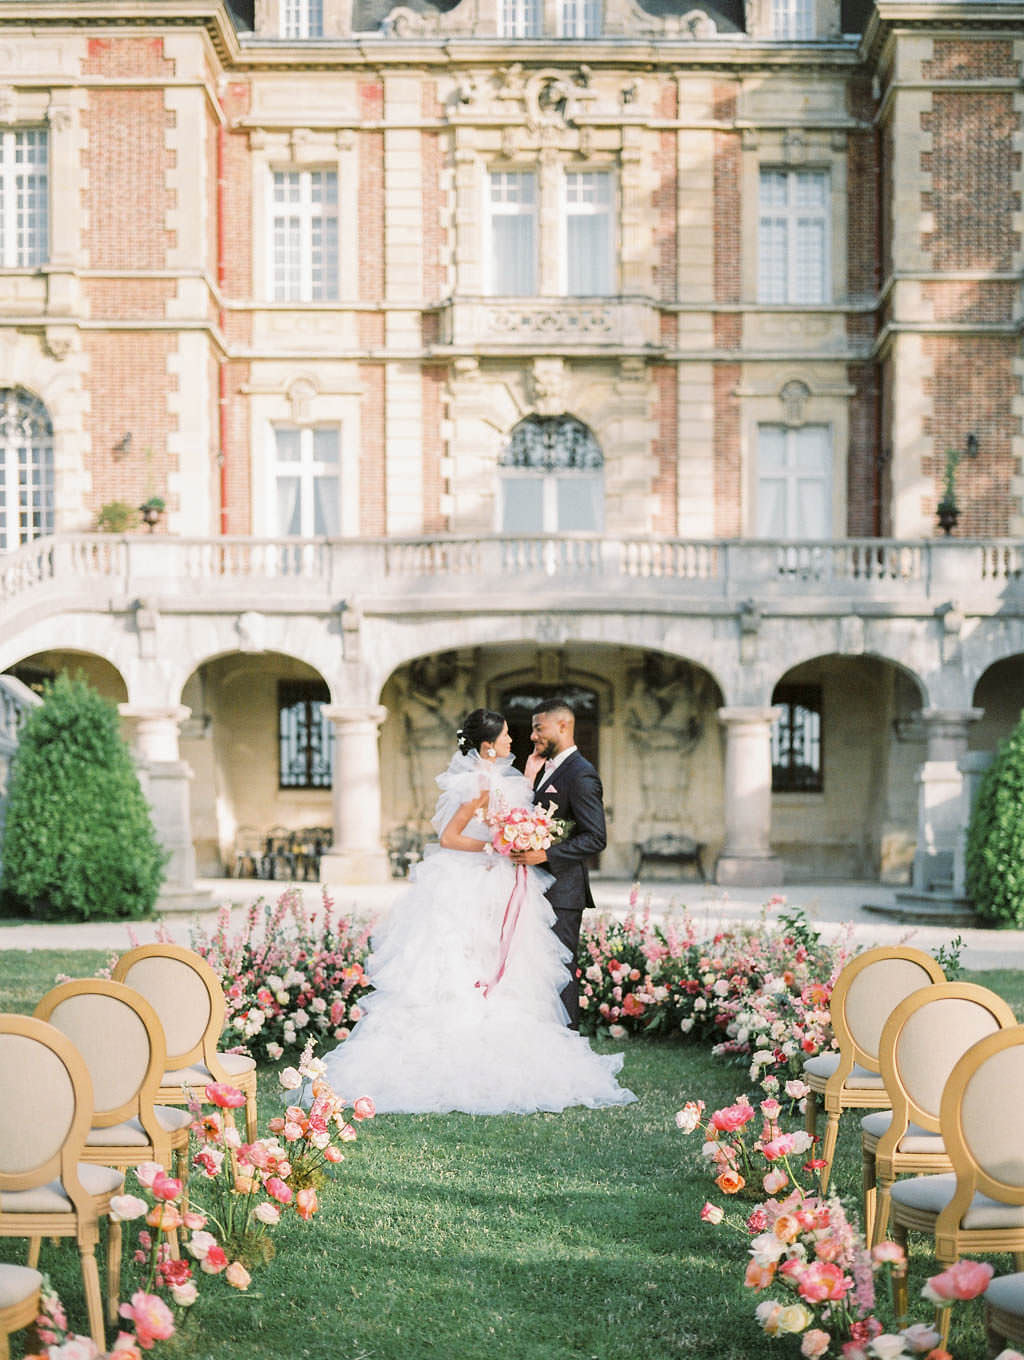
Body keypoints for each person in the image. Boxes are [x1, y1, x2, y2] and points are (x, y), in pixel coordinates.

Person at [318, 707, 636, 1115]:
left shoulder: (525, 775)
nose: (516, 739)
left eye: (530, 730)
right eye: (507, 736)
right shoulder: (480, 783)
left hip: (510, 879)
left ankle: (530, 1041)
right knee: (468, 958)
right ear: (488, 746)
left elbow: (536, 816)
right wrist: (496, 846)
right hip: (483, 875)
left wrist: (525, 810)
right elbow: (450, 835)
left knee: (504, 959)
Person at [511, 698, 605, 1030]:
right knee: (537, 968)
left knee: (561, 969)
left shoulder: (581, 773)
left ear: (562, 726)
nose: (533, 735)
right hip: (537, 890)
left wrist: (545, 855)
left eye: (539, 728)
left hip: (564, 893)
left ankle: (568, 1044)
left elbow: (596, 837)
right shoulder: (545, 769)